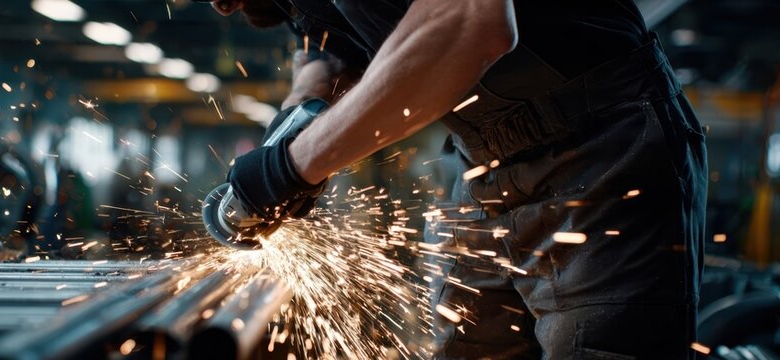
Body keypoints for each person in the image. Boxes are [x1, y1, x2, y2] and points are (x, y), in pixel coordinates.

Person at [196, 0, 708, 358]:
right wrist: (293, 122)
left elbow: (471, 20)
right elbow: (329, 47)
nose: (218, 6)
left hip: (602, 146)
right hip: (484, 161)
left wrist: (292, 166)